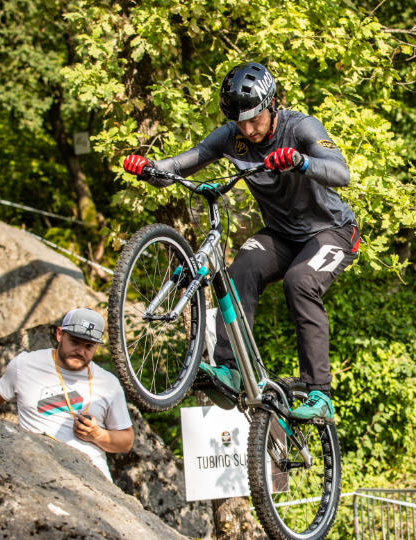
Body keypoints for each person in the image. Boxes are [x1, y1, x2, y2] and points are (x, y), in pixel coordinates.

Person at [123, 62, 359, 421]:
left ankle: (319, 393)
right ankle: (230, 369)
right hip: (282, 235)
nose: (248, 129)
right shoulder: (231, 136)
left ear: (273, 104)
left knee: (300, 281)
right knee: (238, 273)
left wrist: (300, 161)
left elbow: (341, 173)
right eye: (240, 122)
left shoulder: (300, 128)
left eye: (255, 119)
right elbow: (182, 165)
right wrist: (150, 169)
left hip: (332, 231)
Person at [0, 308, 134, 481]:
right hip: (36, 470)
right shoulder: (26, 364)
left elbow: (126, 441)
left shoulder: (109, 383)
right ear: (59, 335)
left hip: (92, 479)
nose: (80, 351)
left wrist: (97, 434)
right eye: (74, 342)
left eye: (88, 346)